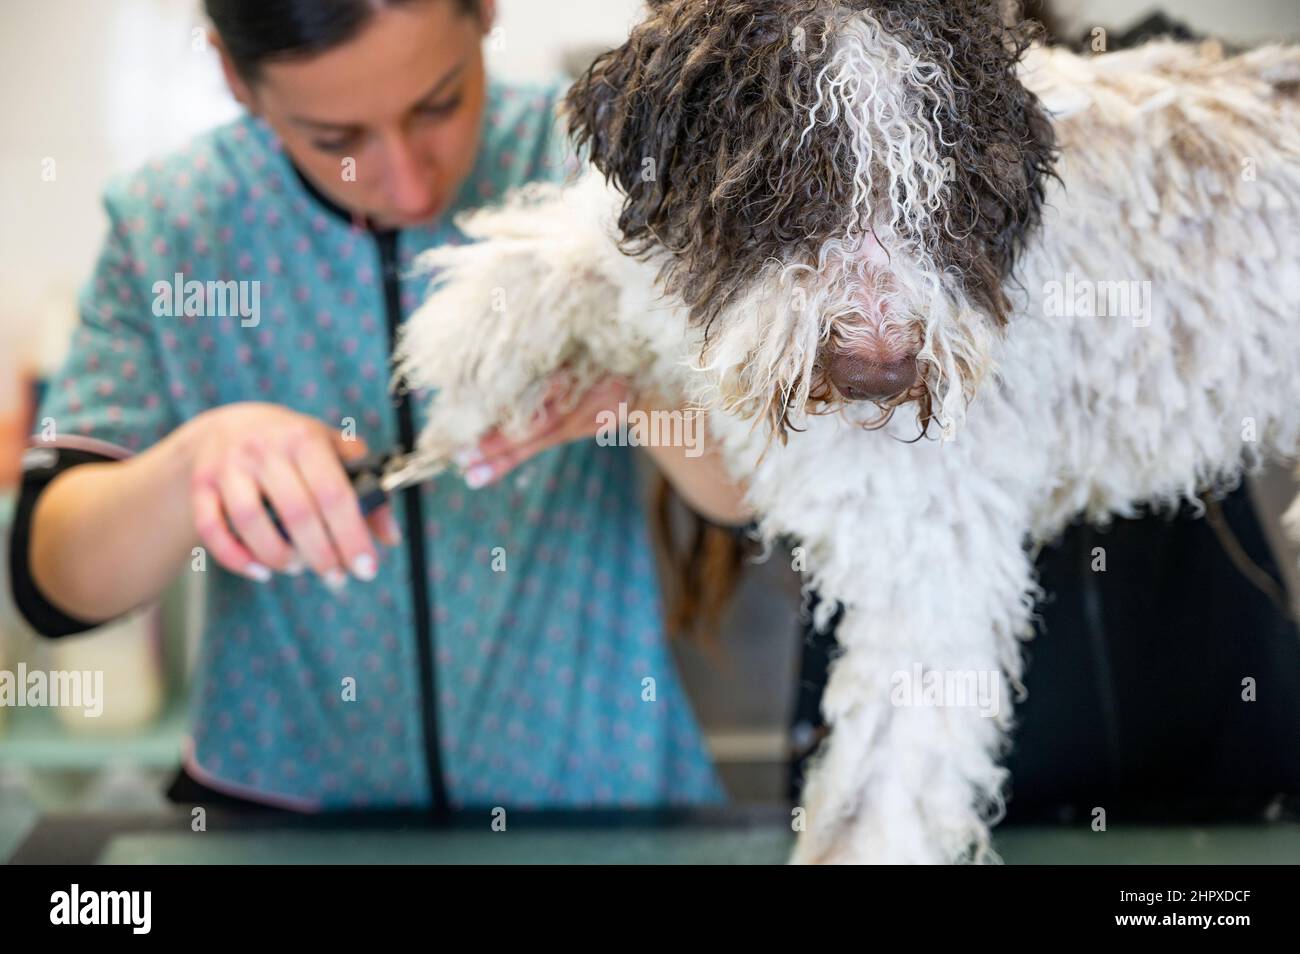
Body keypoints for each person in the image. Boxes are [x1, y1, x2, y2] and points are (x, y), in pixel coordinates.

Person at [9, 0, 752, 812]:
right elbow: (57, 583)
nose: (408, 181)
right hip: (281, 814)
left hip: (597, 804)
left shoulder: (593, 164)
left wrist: (638, 386)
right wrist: (194, 464)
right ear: (234, 76)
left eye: (440, 103)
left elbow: (757, 495)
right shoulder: (171, 227)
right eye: (337, 141)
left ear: (484, 15)